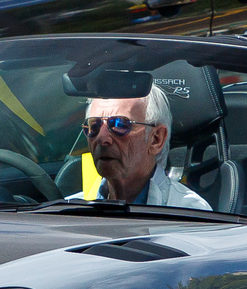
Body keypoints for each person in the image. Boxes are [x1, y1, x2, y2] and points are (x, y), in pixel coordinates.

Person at [76, 84, 209, 208]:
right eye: (94, 126)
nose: (102, 138)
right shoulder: (69, 213)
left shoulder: (189, 213)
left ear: (156, 139)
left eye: (119, 124)